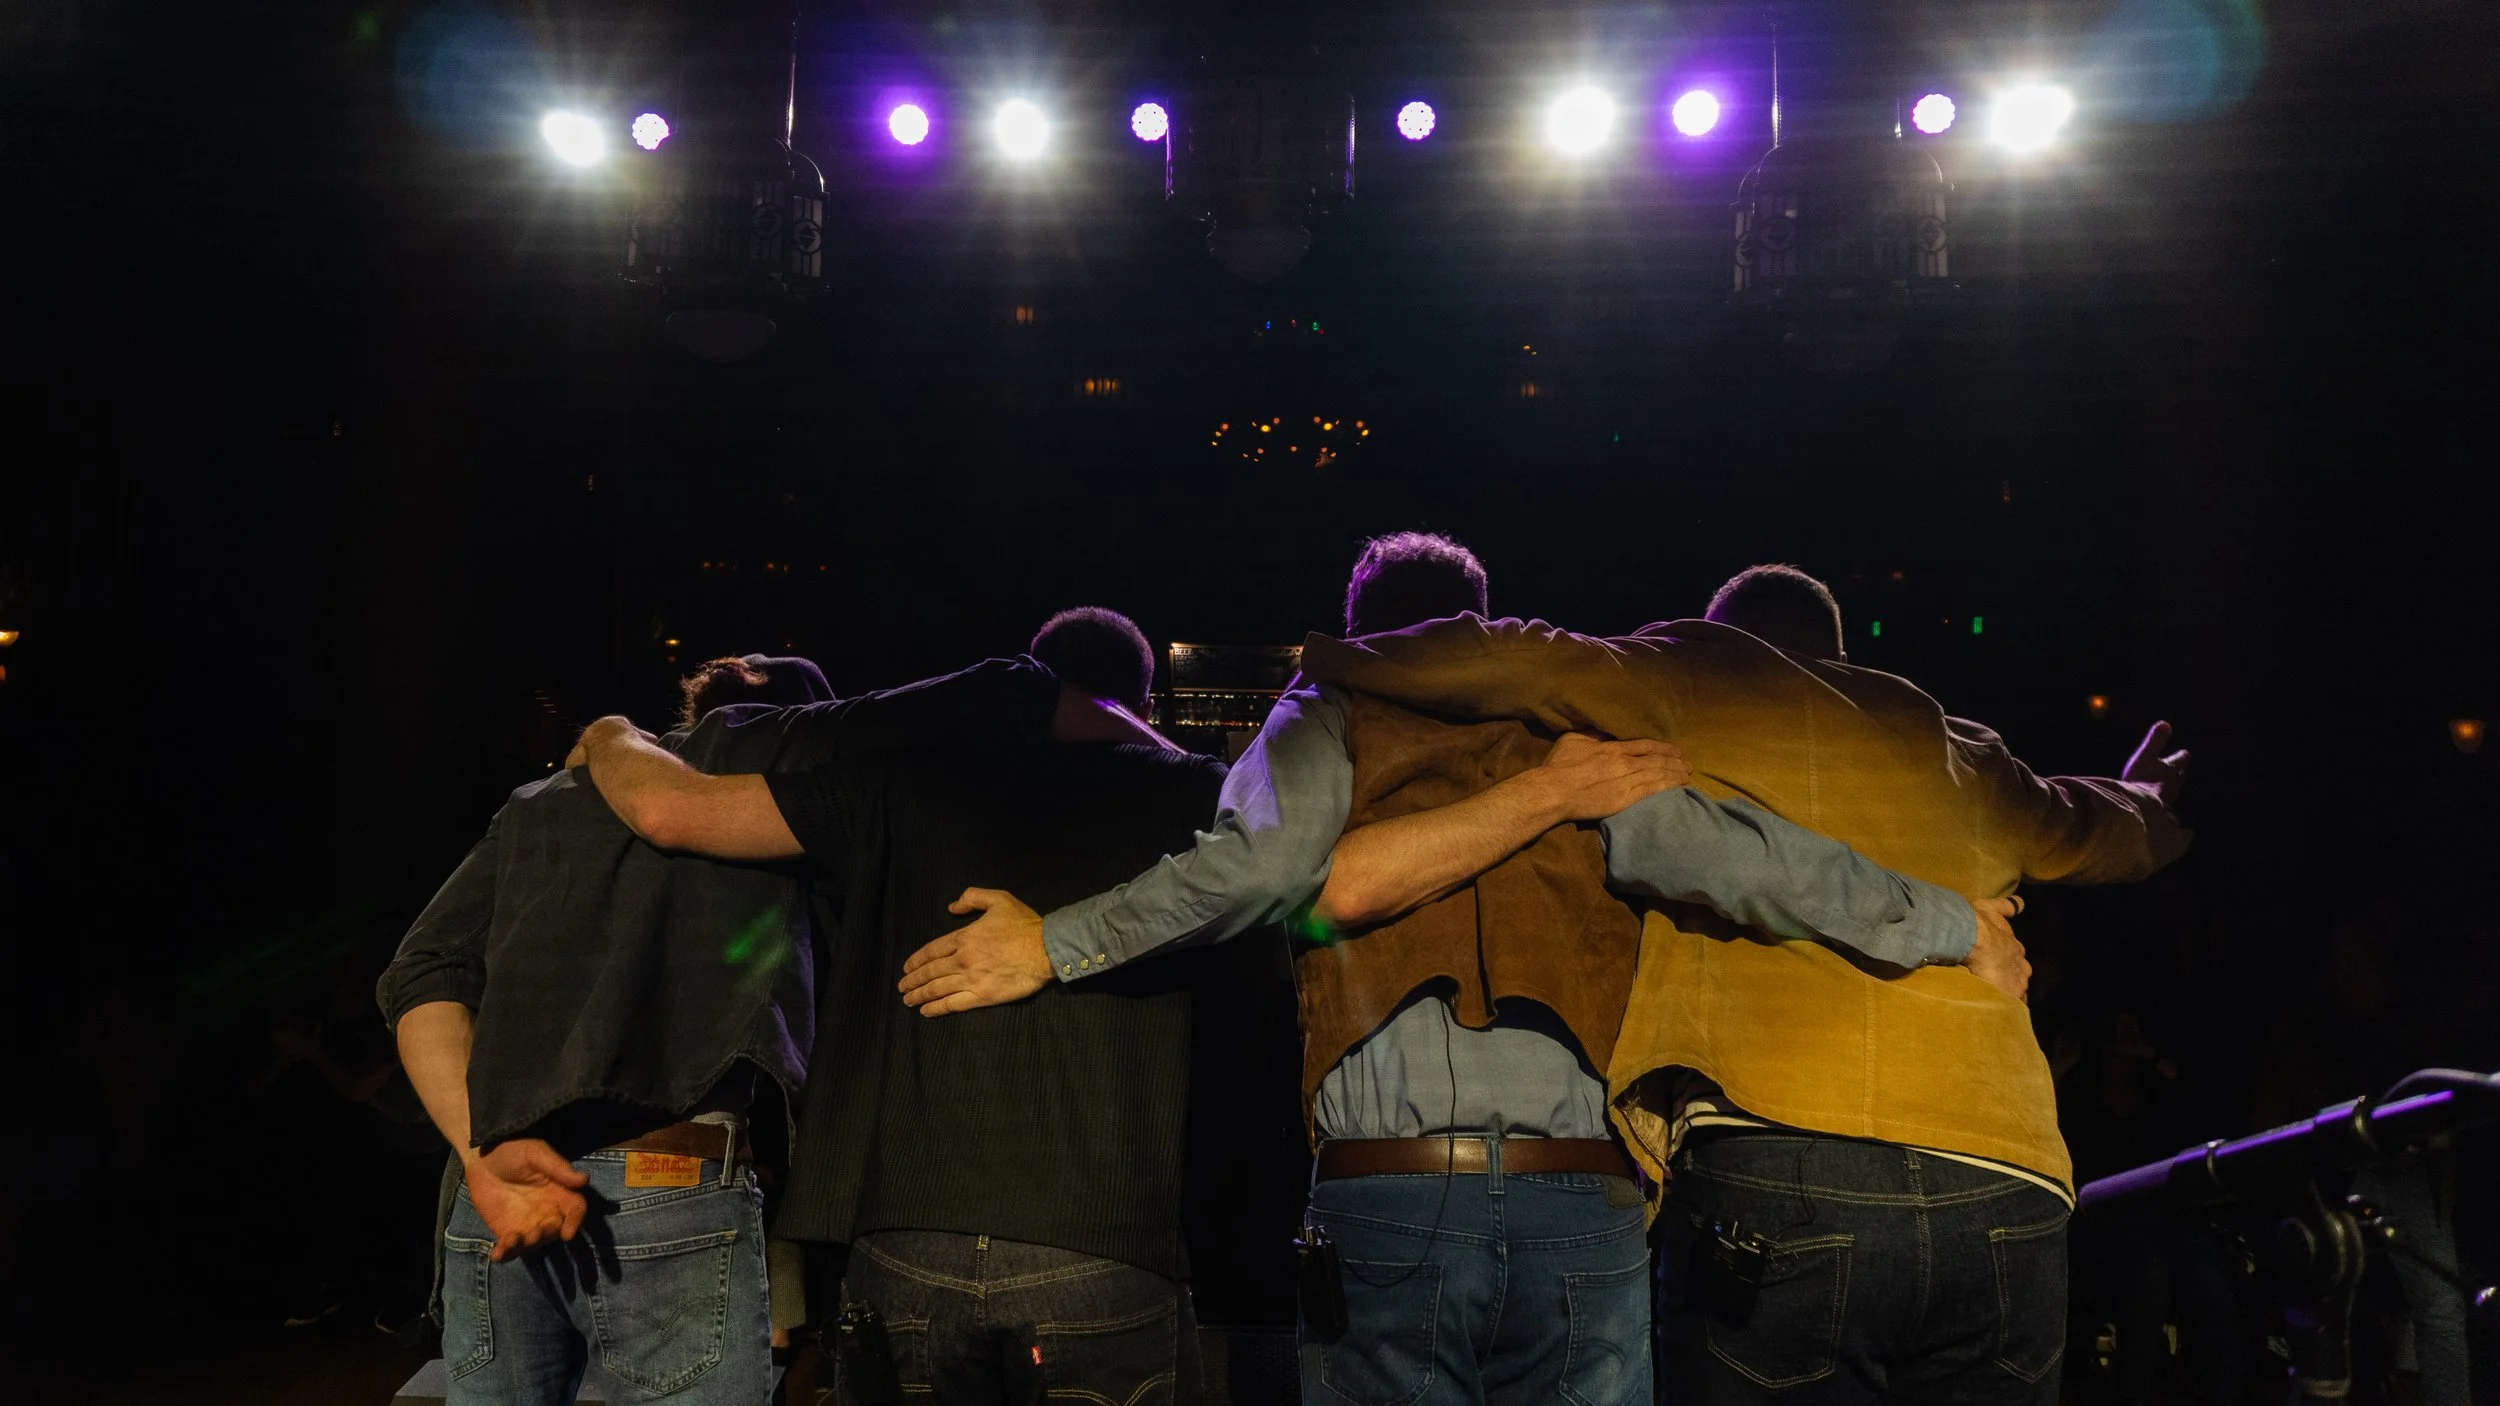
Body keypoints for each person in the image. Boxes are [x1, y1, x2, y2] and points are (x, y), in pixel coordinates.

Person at [890, 536, 2025, 1406]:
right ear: (1479, 628)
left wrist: (1052, 941)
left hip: (1393, 1189)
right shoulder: (1567, 733)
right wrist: (1949, 919)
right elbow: (1744, 862)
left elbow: (1261, 866)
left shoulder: (1329, 701)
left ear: (1356, 629)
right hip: (1581, 1195)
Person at [1274, 562, 2194, 1406]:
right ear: (1836, 652)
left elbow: (1510, 655)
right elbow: (2102, 830)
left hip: (1783, 1161)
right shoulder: (1965, 748)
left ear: (1733, 637)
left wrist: (1333, 657)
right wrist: (2150, 802)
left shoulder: (1697, 674)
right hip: (2005, 1184)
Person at [378, 651, 1105, 1405]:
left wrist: (482, 1151)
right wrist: (1180, 765)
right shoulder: (770, 741)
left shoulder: (543, 798)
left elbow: (420, 972)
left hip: (491, 1200)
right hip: (667, 1179)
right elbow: (1011, 691)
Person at [573, 608, 1223, 1404]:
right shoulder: (1199, 797)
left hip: (906, 1239)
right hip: (1104, 1243)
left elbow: (673, 812)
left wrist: (609, 735)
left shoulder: (903, 782)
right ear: (1144, 703)